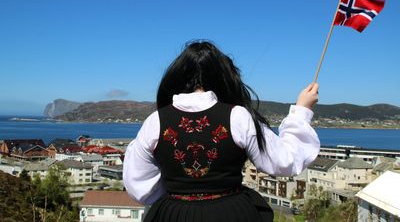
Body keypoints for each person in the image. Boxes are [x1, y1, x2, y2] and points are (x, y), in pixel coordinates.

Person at [123, 40, 320, 222]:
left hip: (174, 214)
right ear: (225, 78)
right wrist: (301, 111)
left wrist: (179, 191)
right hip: (232, 213)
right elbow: (284, 161)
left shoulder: (155, 121)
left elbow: (139, 185)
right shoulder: (238, 117)